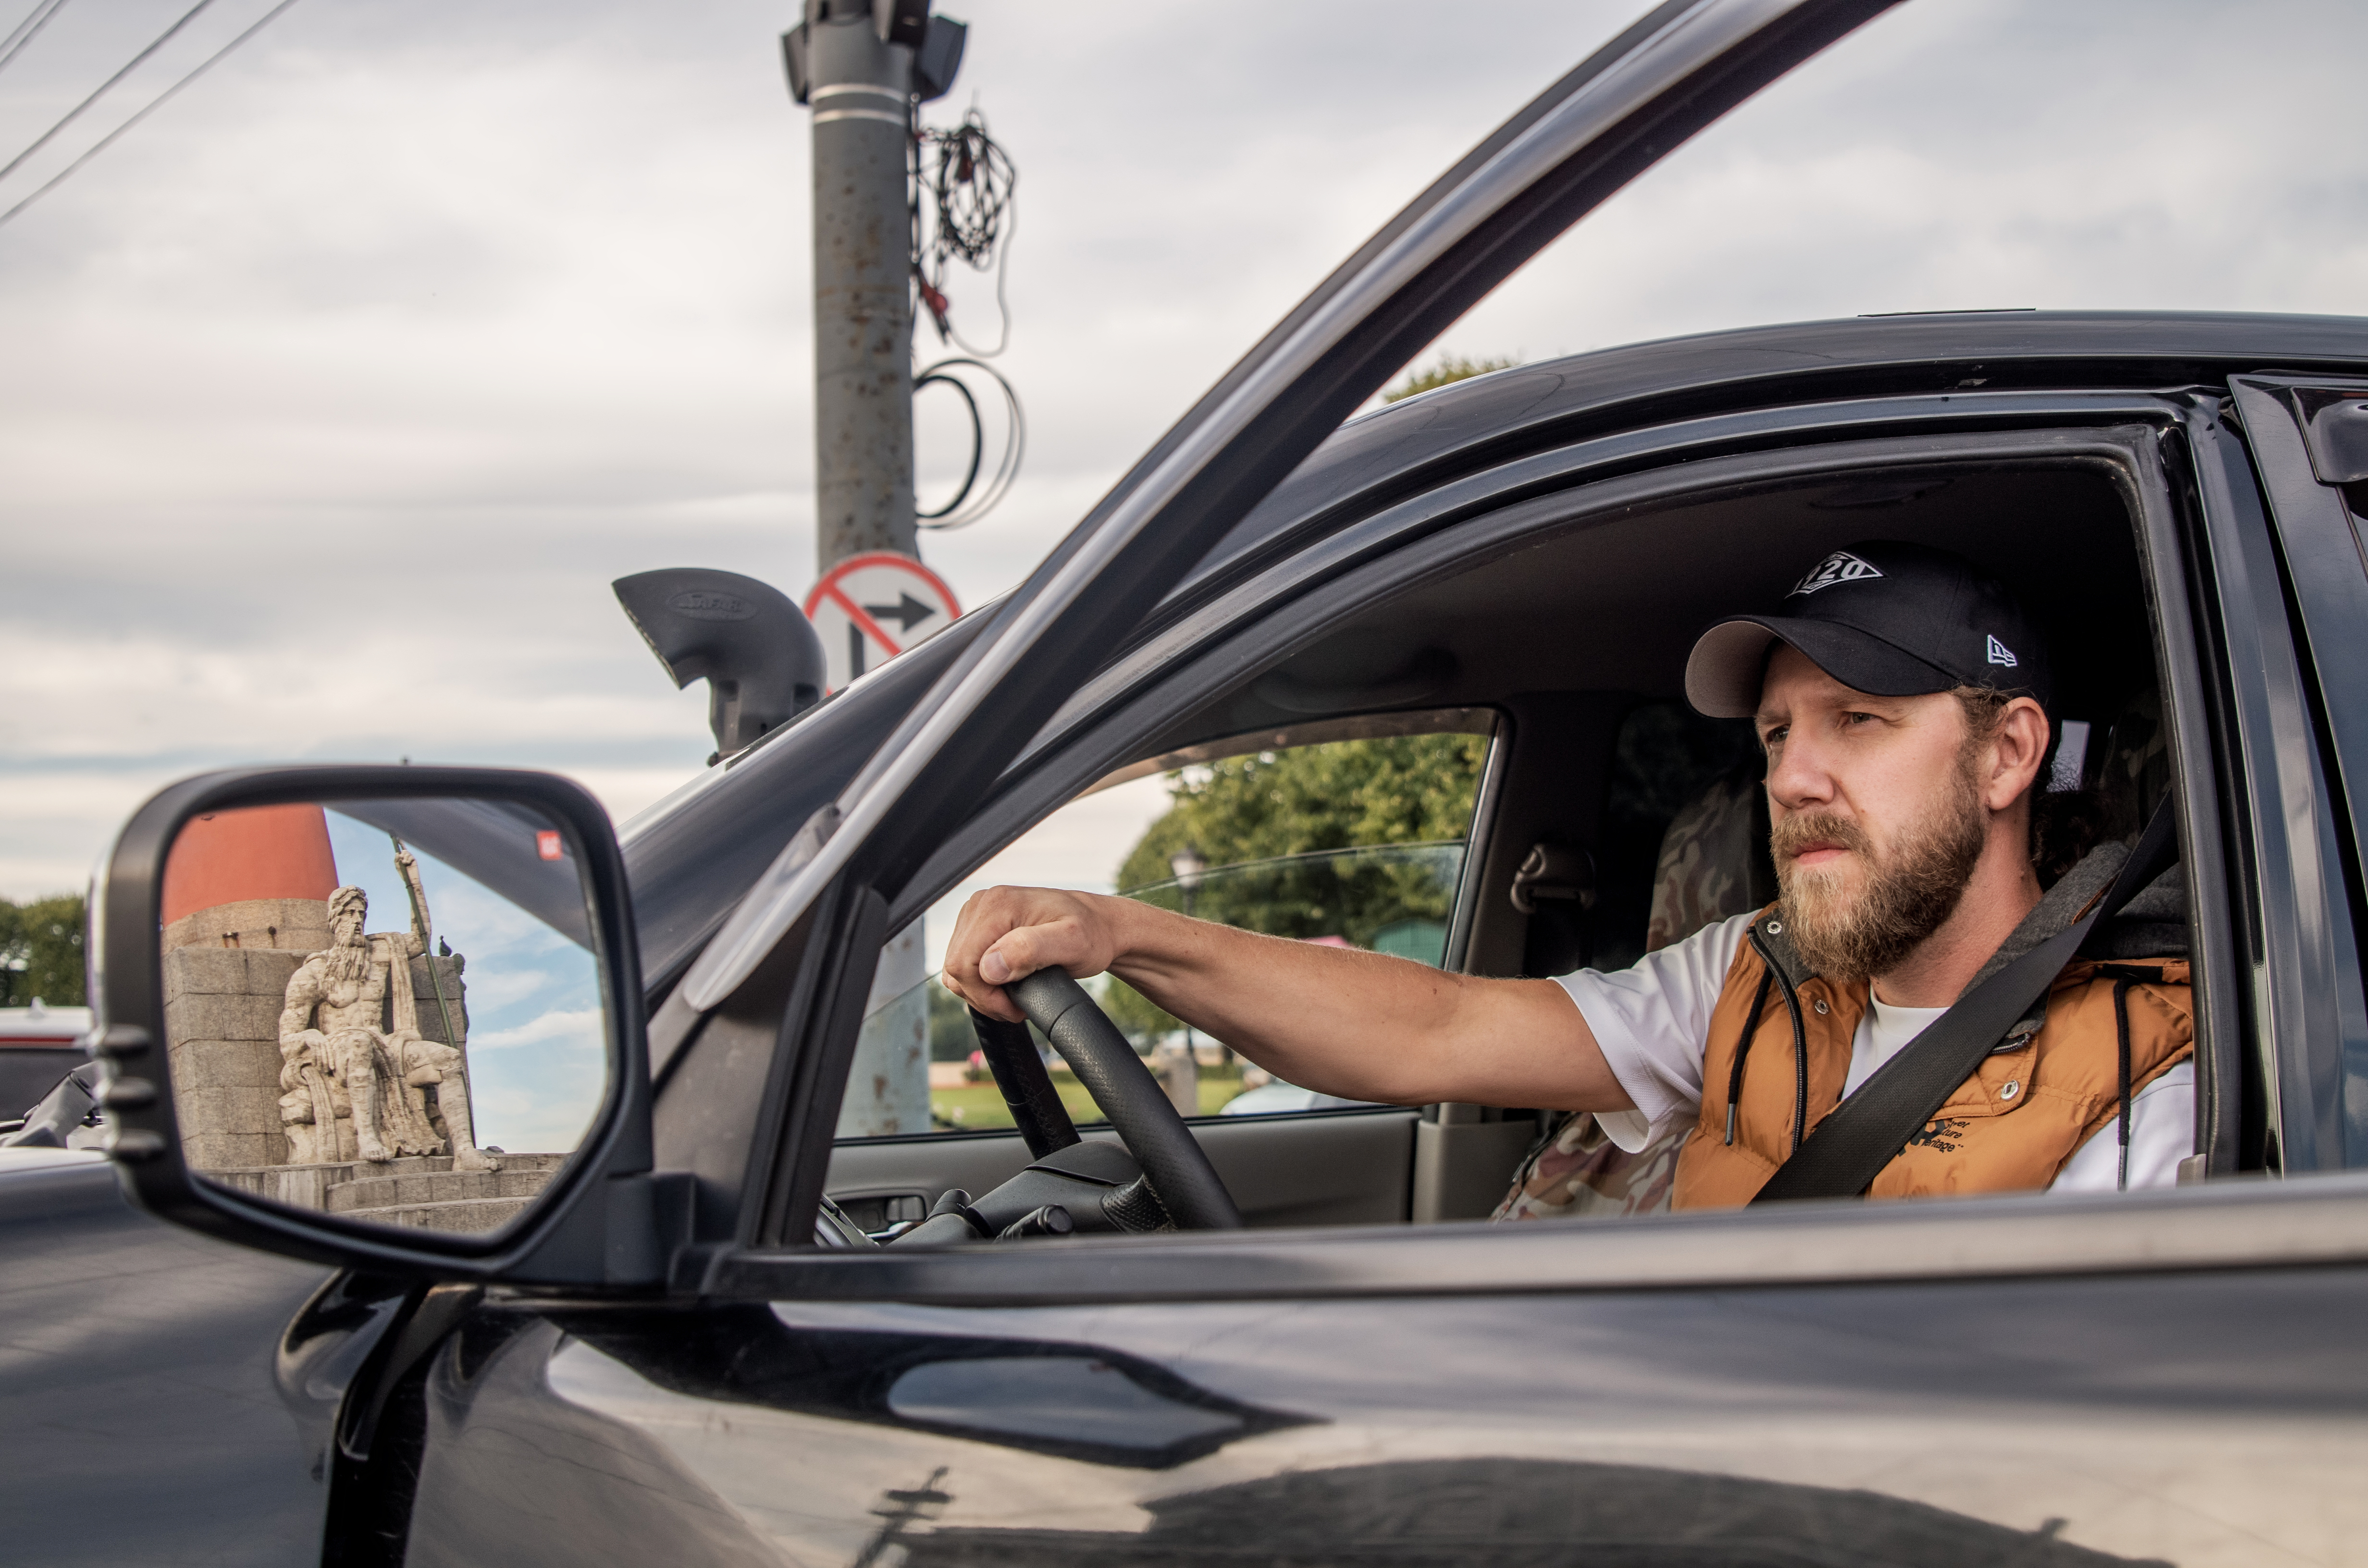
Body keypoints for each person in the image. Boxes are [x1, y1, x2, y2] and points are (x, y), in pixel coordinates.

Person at [943, 541, 2194, 1207]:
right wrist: (1121, 934)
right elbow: (1436, 1036)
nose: (1794, 777)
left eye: (1858, 721)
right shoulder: (1754, 977)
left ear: (2008, 753)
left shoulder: (2155, 1067)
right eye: (1774, 737)